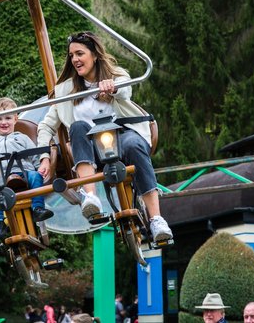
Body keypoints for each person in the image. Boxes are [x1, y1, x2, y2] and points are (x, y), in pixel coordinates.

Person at [37, 31, 172, 243]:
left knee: (134, 144)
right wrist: (45, 156)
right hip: (91, 149)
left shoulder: (116, 75)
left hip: (121, 140)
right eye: (71, 56)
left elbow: (125, 92)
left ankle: (156, 219)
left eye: (80, 53)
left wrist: (113, 89)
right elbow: (46, 126)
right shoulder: (65, 91)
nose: (75, 60)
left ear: (95, 55)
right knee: (79, 127)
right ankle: (91, 196)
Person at [0, 97, 53, 240]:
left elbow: (35, 155)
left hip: (25, 173)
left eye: (8, 118)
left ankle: (37, 209)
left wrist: (39, 167)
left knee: (36, 176)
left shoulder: (22, 138)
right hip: (2, 178)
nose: (4, 122)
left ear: (16, 119)